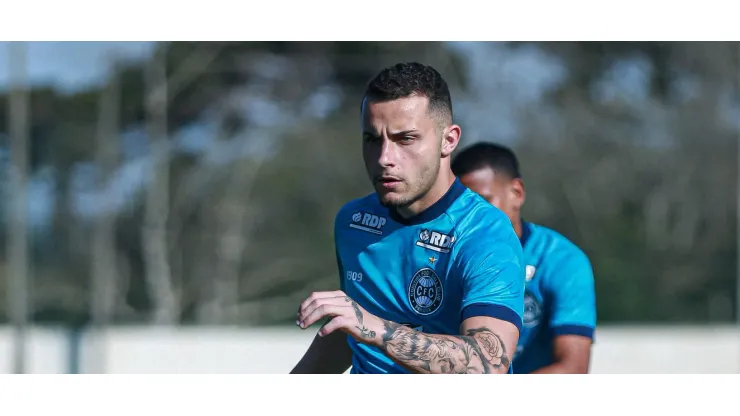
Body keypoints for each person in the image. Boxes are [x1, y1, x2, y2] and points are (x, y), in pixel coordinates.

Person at [290, 62, 525, 374]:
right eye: (372, 139)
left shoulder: (485, 233)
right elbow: (350, 334)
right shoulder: (353, 221)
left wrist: (375, 329)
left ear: (449, 140)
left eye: (405, 139)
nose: (385, 158)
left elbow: (487, 364)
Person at [451, 142, 597, 374]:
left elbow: (574, 368)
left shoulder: (562, 260)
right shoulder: (441, 255)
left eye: (483, 203)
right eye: (462, 207)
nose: (472, 218)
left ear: (516, 194)